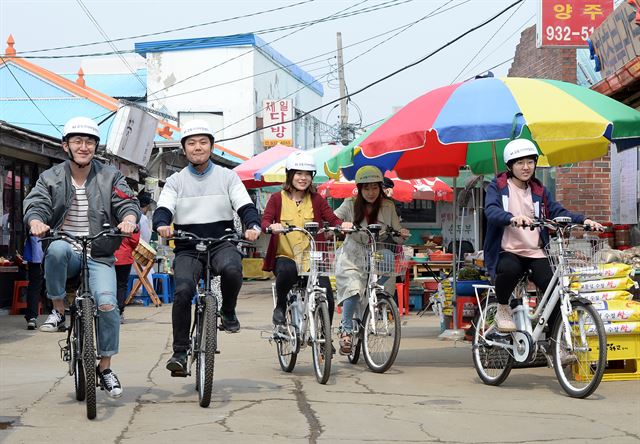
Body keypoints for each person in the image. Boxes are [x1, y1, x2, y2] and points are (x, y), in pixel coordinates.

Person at [23, 116, 140, 398]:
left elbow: (126, 201)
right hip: (67, 246)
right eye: (77, 141)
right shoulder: (49, 177)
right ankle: (58, 308)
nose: (83, 146)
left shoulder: (110, 175)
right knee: (57, 249)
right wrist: (36, 220)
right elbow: (36, 202)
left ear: (95, 147)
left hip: (100, 251)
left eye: (89, 142)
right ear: (66, 146)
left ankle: (106, 367)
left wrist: (128, 218)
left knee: (110, 305)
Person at [153, 120, 261, 374]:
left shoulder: (227, 176)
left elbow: (244, 205)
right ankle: (179, 351)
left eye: (203, 142)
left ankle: (228, 310)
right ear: (184, 149)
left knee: (233, 269)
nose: (197, 147)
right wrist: (162, 224)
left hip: (221, 242)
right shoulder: (175, 181)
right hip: (187, 247)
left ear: (211, 147)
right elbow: (164, 208)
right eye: (191, 143)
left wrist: (252, 225)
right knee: (182, 291)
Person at [484, 139, 603, 332]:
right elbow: (491, 210)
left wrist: (584, 220)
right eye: (520, 163)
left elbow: (557, 211)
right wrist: (511, 218)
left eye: (530, 162)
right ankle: (503, 307)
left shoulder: (539, 190)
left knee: (555, 289)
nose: (526, 167)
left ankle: (558, 343)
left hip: (536, 252)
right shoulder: (497, 187)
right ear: (510, 166)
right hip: (508, 250)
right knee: (509, 269)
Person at [261, 151, 350, 327]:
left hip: (313, 259)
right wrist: (271, 227)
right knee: (287, 270)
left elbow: (332, 218)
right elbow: (265, 221)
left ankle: (325, 337)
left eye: (308, 174)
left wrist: (342, 225)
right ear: (290, 175)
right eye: (299, 173)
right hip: (285, 255)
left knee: (327, 295)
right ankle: (280, 307)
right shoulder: (276, 198)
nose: (303, 178)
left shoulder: (317, 199)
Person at [333, 166, 409, 355]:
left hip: (377, 251)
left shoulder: (388, 205)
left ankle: (376, 297)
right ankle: (346, 330)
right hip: (353, 253)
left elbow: (397, 232)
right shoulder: (349, 203)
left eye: (375, 187)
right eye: (366, 188)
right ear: (359, 189)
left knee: (389, 258)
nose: (371, 192)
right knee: (352, 289)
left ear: (380, 187)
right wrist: (341, 225)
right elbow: (333, 220)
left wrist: (402, 233)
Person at [114, 226, 140, 324]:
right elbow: (135, 241)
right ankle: (119, 312)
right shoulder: (131, 223)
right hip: (124, 258)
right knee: (121, 285)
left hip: (108, 256)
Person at [22, 235, 45, 330]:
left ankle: (32, 317)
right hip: (38, 251)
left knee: (34, 286)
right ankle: (32, 317)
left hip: (38, 252)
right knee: (36, 285)